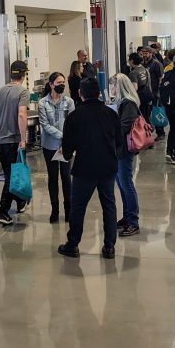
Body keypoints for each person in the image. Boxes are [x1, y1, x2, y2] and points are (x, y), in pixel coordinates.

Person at [57, 78, 122, 259]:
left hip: (84, 168)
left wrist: (68, 153)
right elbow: (119, 142)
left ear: (80, 93)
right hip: (108, 168)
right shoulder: (111, 114)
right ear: (99, 92)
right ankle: (109, 246)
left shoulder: (75, 116)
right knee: (109, 205)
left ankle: (73, 244)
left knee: (78, 207)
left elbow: (67, 149)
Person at [0, 61, 31, 226]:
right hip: (14, 140)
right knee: (13, 176)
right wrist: (23, 138)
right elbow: (21, 114)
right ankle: (3, 211)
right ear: (23, 75)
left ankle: (20, 203)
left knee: (14, 173)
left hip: (1, 140)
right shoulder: (23, 92)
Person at [37, 72, 76, 223]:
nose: (62, 85)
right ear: (51, 84)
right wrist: (62, 136)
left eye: (63, 82)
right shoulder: (43, 103)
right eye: (59, 82)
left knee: (66, 177)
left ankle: (68, 210)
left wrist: (67, 141)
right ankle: (55, 209)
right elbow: (45, 125)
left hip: (66, 146)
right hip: (49, 146)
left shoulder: (69, 102)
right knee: (53, 177)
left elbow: (72, 122)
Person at [108, 73, 141, 237]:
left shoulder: (128, 104)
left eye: (113, 86)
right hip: (118, 150)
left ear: (119, 86)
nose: (111, 89)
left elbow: (124, 126)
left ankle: (133, 221)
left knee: (126, 184)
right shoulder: (120, 103)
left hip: (124, 151)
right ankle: (127, 217)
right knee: (121, 184)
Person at [127, 52, 153, 123]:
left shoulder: (133, 73)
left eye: (129, 60)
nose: (128, 61)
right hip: (147, 96)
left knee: (141, 119)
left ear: (132, 61)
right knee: (146, 117)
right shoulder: (144, 69)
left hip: (140, 98)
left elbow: (135, 88)